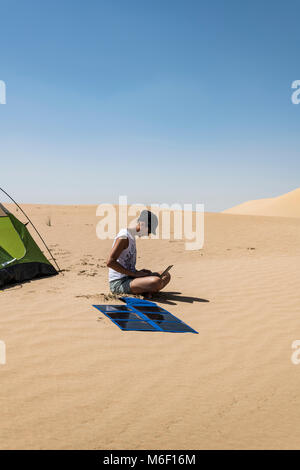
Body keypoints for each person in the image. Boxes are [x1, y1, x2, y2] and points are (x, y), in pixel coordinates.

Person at [106, 210, 171, 295]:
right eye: (148, 231)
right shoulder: (124, 237)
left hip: (130, 278)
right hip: (119, 283)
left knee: (165, 275)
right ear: (142, 224)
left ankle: (146, 290)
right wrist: (134, 274)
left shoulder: (132, 237)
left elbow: (126, 264)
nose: (148, 235)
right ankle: (147, 290)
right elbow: (110, 262)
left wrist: (139, 272)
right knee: (157, 281)